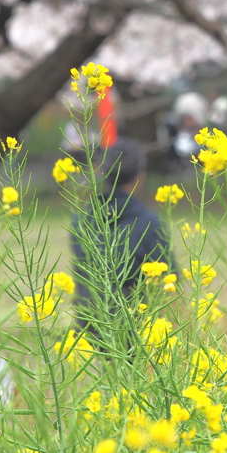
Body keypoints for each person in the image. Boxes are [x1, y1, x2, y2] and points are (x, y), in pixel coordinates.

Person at [71, 138, 170, 344]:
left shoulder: (80, 219)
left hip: (88, 337)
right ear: (139, 178)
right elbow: (167, 283)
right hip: (134, 339)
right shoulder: (150, 223)